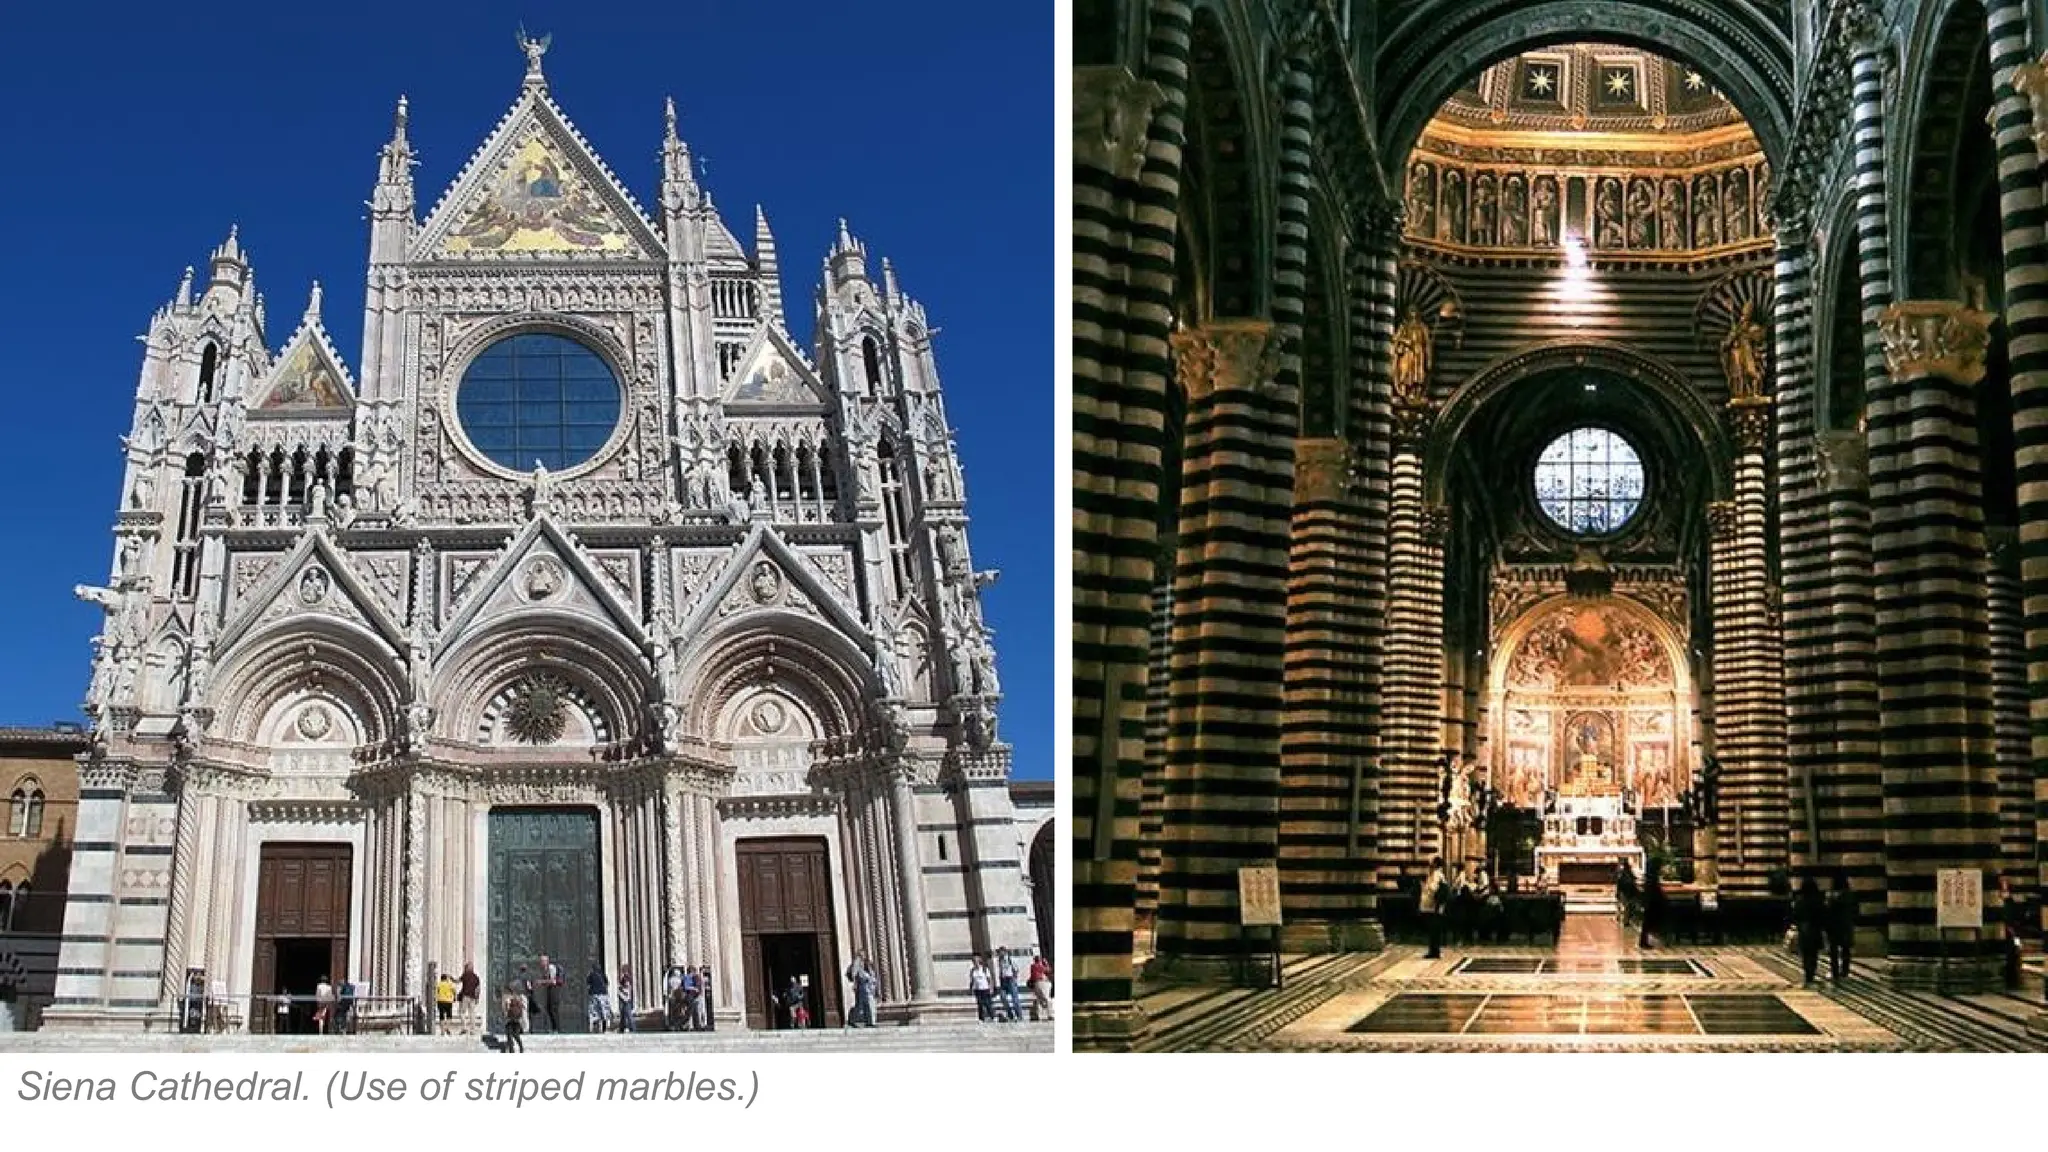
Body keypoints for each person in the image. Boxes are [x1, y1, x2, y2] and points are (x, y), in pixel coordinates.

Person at [1824, 870, 1858, 985]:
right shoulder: (1850, 895)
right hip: (1846, 925)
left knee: (1833, 950)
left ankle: (1835, 972)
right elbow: (1856, 910)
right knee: (1846, 950)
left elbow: (1827, 912)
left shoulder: (1831, 896)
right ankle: (1845, 972)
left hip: (1834, 926)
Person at [1793, 876, 1826, 986]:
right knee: (1813, 954)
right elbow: (1822, 915)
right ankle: (1811, 973)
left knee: (1806, 954)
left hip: (1804, 930)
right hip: (1815, 930)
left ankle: (1808, 974)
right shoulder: (1818, 900)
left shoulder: (1799, 900)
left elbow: (1795, 915)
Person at [1420, 857, 1450, 960]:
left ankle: (1434, 951)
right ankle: (1433, 950)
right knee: (1433, 929)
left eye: (1432, 862)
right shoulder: (1434, 874)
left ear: (1436, 864)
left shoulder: (1437, 874)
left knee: (1434, 929)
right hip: (1431, 906)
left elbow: (1433, 888)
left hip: (1434, 906)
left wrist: (1425, 886)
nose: (1430, 864)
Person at [1640, 858, 1668, 949]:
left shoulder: (1650, 877)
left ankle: (1645, 940)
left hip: (1649, 901)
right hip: (1652, 902)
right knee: (1648, 922)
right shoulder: (1653, 878)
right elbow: (1655, 890)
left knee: (1647, 923)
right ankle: (1645, 941)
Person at [845, 957, 877, 1028]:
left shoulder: (870, 972)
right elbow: (855, 977)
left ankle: (871, 1022)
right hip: (863, 991)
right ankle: (852, 1020)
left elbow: (873, 982)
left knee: (870, 1006)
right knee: (860, 1007)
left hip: (870, 992)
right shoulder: (861, 972)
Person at [996, 947, 1024, 1023]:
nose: (999, 954)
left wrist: (1014, 979)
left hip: (1010, 979)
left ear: (1004, 952)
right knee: (1003, 997)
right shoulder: (1000, 960)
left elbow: (1016, 969)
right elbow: (1001, 970)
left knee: (1015, 999)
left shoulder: (1010, 960)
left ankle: (1019, 1015)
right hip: (1003, 980)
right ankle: (1010, 1014)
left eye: (1000, 952)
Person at [536, 953, 562, 1033]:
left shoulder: (551, 968)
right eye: (541, 961)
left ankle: (556, 1029)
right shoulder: (544, 969)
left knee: (553, 1009)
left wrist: (541, 982)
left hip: (554, 990)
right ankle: (554, 1028)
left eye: (543, 960)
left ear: (547, 961)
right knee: (549, 1008)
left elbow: (553, 981)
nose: (542, 962)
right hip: (549, 990)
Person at [501, 982, 527, 1054]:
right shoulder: (518, 997)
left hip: (512, 1018)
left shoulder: (508, 998)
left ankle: (514, 1049)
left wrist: (505, 1014)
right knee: (513, 1033)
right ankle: (518, 1048)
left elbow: (506, 1008)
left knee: (511, 1033)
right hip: (516, 1018)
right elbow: (522, 1008)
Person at [968, 955, 997, 1021]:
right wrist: (970, 988)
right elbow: (972, 980)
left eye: (976, 961)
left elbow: (989, 979)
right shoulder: (973, 970)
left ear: (979, 961)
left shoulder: (984, 969)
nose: (975, 963)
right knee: (980, 1004)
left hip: (985, 988)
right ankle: (981, 1018)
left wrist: (991, 988)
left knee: (987, 1003)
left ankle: (992, 1016)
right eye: (974, 961)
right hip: (977, 989)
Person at [1028, 953, 1054, 1022]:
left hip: (1037, 983)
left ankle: (1038, 1015)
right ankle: (1050, 1014)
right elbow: (1048, 970)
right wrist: (1046, 963)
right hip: (1043, 983)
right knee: (1047, 999)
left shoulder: (1033, 966)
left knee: (1039, 999)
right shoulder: (1039, 965)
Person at [587, 963, 611, 1033]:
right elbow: (607, 983)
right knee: (604, 1010)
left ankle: (591, 1027)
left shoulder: (591, 975)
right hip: (603, 994)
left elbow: (588, 984)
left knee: (593, 1010)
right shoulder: (602, 975)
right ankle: (605, 1027)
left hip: (594, 994)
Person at [458, 962, 482, 1032]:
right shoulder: (476, 977)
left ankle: (464, 1027)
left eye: (465, 967)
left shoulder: (465, 975)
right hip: (473, 997)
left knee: (462, 1012)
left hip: (465, 996)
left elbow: (457, 981)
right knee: (472, 1013)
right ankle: (473, 1029)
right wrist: (477, 998)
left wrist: (451, 979)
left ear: (467, 968)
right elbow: (478, 989)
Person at [616, 964, 636, 1033]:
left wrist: (621, 990)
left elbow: (627, 987)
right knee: (623, 1014)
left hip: (625, 998)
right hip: (625, 998)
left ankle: (632, 1028)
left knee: (628, 1014)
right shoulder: (626, 977)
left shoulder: (626, 977)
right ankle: (622, 1027)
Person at [664, 965, 685, 1030]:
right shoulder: (679, 980)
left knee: (672, 1011)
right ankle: (678, 1024)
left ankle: (672, 1024)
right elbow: (680, 987)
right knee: (678, 1011)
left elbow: (669, 988)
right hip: (678, 996)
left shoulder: (670, 979)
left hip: (672, 996)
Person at [698, 965, 715, 1031]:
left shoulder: (707, 978)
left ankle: (708, 1023)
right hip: (702, 996)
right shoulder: (699, 978)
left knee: (707, 1010)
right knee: (702, 1011)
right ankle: (702, 1024)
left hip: (707, 996)